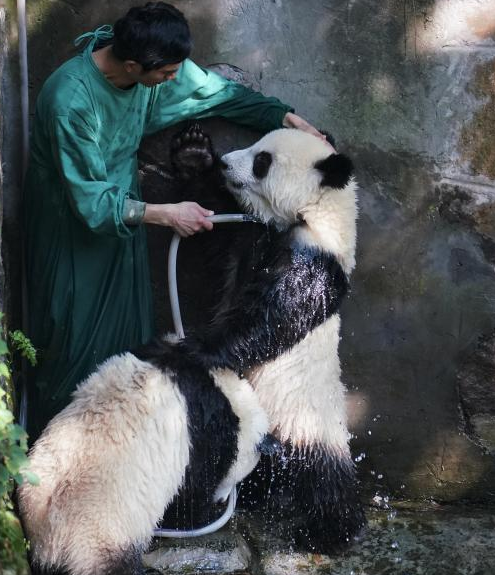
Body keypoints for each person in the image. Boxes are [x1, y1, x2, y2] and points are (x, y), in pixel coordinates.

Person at [23, 2, 323, 441]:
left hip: (123, 220)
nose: (172, 80)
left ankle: (112, 454)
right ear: (132, 65)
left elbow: (214, 91)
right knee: (70, 340)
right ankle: (52, 455)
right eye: (165, 74)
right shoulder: (69, 100)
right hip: (69, 228)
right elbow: (88, 201)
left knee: (124, 343)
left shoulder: (149, 72)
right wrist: (167, 214)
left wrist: (279, 115)